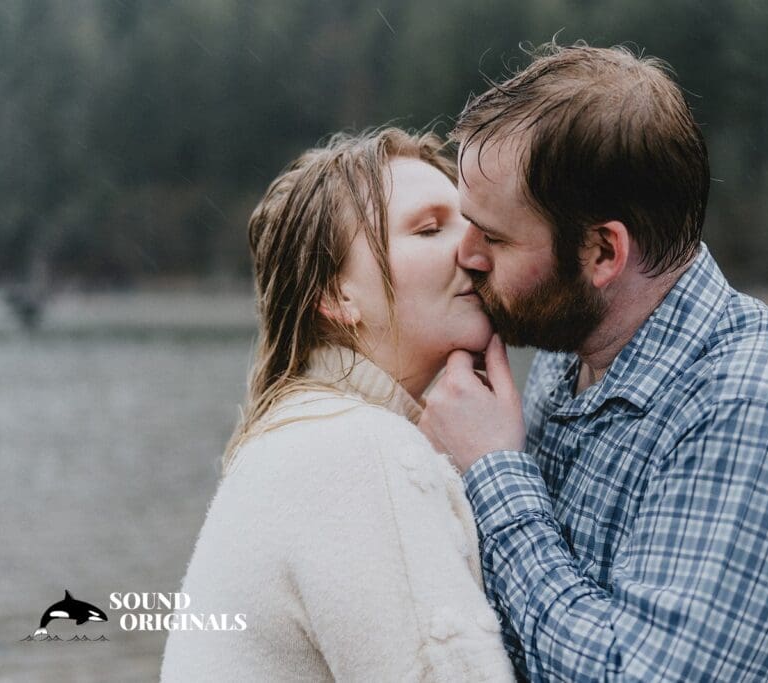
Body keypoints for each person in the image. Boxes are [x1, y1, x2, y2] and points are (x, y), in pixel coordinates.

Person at [420, 43, 768, 682]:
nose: (466, 254)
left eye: (493, 236)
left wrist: (494, 473)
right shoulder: (568, 352)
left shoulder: (756, 407)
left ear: (603, 252)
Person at [161, 129, 514, 682]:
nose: (474, 248)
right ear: (336, 295)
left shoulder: (308, 434)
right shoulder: (359, 450)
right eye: (429, 229)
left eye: (471, 224)